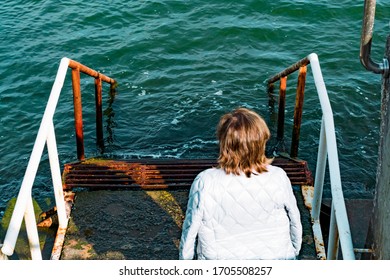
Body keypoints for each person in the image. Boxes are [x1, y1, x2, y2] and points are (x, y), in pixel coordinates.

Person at [179, 107, 302, 260]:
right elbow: (294, 220)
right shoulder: (278, 176)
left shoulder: (205, 181)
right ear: (261, 143)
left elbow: (191, 229)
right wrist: (294, 252)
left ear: (224, 143)